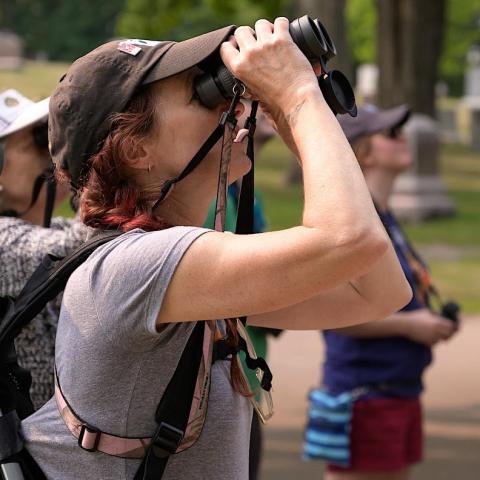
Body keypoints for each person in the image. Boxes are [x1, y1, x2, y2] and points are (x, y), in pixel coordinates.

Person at [22, 20, 411, 479]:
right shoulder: (133, 266)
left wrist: (295, 127)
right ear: (135, 149)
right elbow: (351, 241)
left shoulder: (188, 281)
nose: (231, 102)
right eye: (200, 92)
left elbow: (379, 292)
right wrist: (300, 97)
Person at [316, 104, 459, 480]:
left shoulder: (380, 216)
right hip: (365, 394)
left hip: (396, 388)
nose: (404, 138)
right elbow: (333, 315)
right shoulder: (351, 221)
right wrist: (410, 326)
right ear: (364, 152)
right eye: (392, 133)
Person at [203, 101, 278, 480]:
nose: (259, 108)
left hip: (245, 380)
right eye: (247, 102)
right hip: (211, 394)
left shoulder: (246, 189)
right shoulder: (201, 199)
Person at [0, 89, 87, 409]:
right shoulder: (3, 247)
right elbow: (84, 245)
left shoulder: (52, 230)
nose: (57, 148)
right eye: (41, 139)